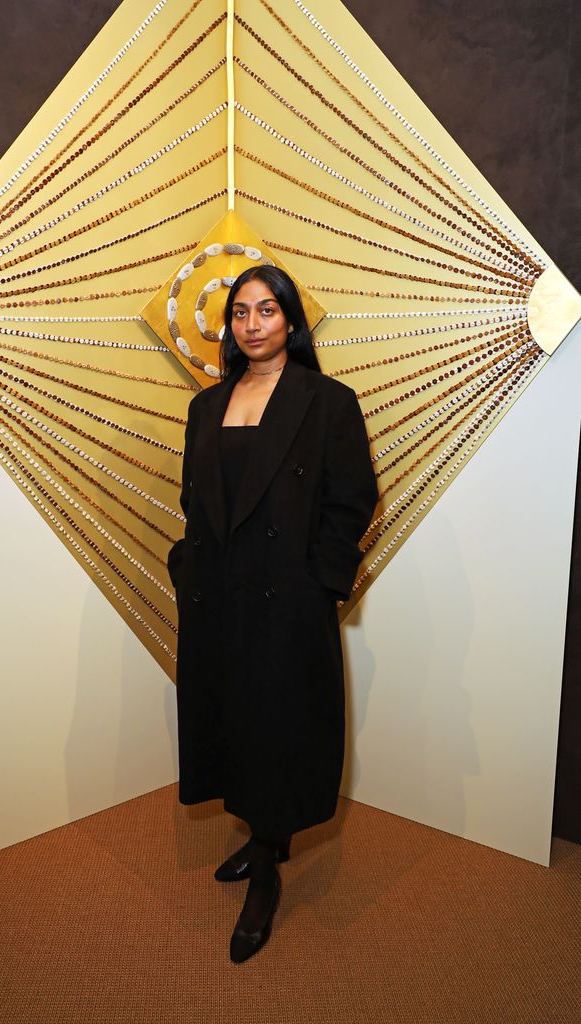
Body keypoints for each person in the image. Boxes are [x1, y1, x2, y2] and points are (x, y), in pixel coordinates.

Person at [167, 266, 378, 963]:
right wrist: (186, 565)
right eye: (240, 313)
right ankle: (261, 841)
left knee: (279, 733)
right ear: (229, 326)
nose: (253, 324)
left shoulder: (328, 402)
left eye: (267, 310)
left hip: (285, 601)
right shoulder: (206, 406)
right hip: (218, 600)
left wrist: (320, 582)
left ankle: (265, 868)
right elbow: (196, 501)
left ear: (290, 319)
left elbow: (354, 499)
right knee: (232, 724)